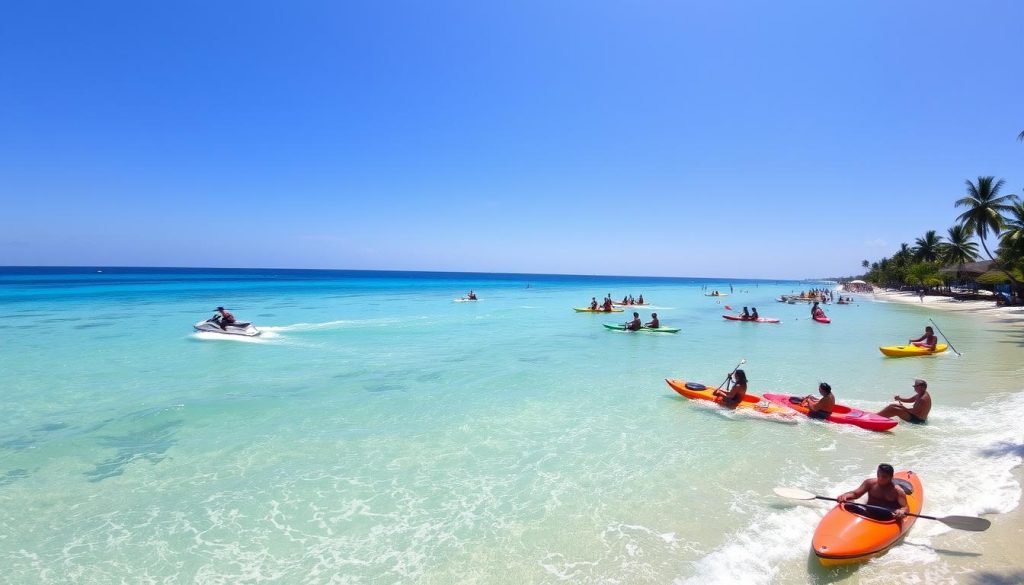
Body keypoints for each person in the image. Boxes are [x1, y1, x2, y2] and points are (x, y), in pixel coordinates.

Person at [836, 464, 910, 520]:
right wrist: (845, 495)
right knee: (849, 505)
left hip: (888, 517)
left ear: (891, 477)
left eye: (884, 476)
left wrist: (902, 511)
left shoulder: (897, 491)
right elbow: (855, 494)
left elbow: (905, 507)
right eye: (878, 475)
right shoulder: (870, 483)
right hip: (869, 513)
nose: (880, 478)